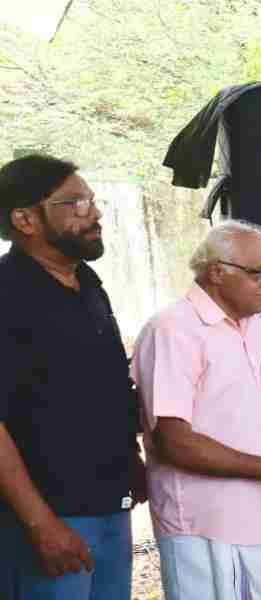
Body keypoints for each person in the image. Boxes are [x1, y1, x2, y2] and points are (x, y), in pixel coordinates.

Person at [133, 220, 261, 600]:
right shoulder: (173, 329)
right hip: (209, 526)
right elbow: (174, 441)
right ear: (216, 272)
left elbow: (249, 415)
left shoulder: (254, 324)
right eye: (257, 273)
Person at [0, 155, 144, 600]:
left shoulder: (89, 285)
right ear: (25, 219)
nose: (95, 213)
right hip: (46, 521)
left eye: (93, 201)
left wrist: (131, 458)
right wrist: (40, 524)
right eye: (76, 203)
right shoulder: (7, 294)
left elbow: (102, 385)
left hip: (110, 504)